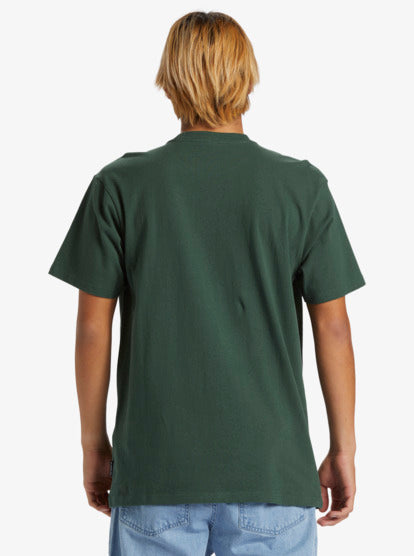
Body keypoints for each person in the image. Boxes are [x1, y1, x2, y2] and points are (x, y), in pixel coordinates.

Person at [48, 10, 366, 556]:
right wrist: (344, 449)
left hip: (155, 473)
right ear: (248, 76)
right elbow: (333, 329)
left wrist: (93, 444)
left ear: (170, 80)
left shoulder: (120, 186)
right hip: (273, 475)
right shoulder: (302, 187)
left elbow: (93, 328)